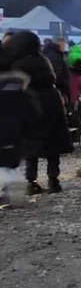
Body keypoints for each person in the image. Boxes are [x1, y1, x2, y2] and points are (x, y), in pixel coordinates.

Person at [3, 31, 73, 194]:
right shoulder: (44, 60)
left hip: (29, 103)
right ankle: (53, 180)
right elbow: (58, 80)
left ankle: (31, 181)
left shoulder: (16, 63)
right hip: (51, 101)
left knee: (31, 146)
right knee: (52, 146)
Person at [0, 44, 31, 205]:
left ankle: (4, 191)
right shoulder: (18, 84)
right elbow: (29, 108)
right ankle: (7, 189)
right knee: (9, 159)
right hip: (14, 126)